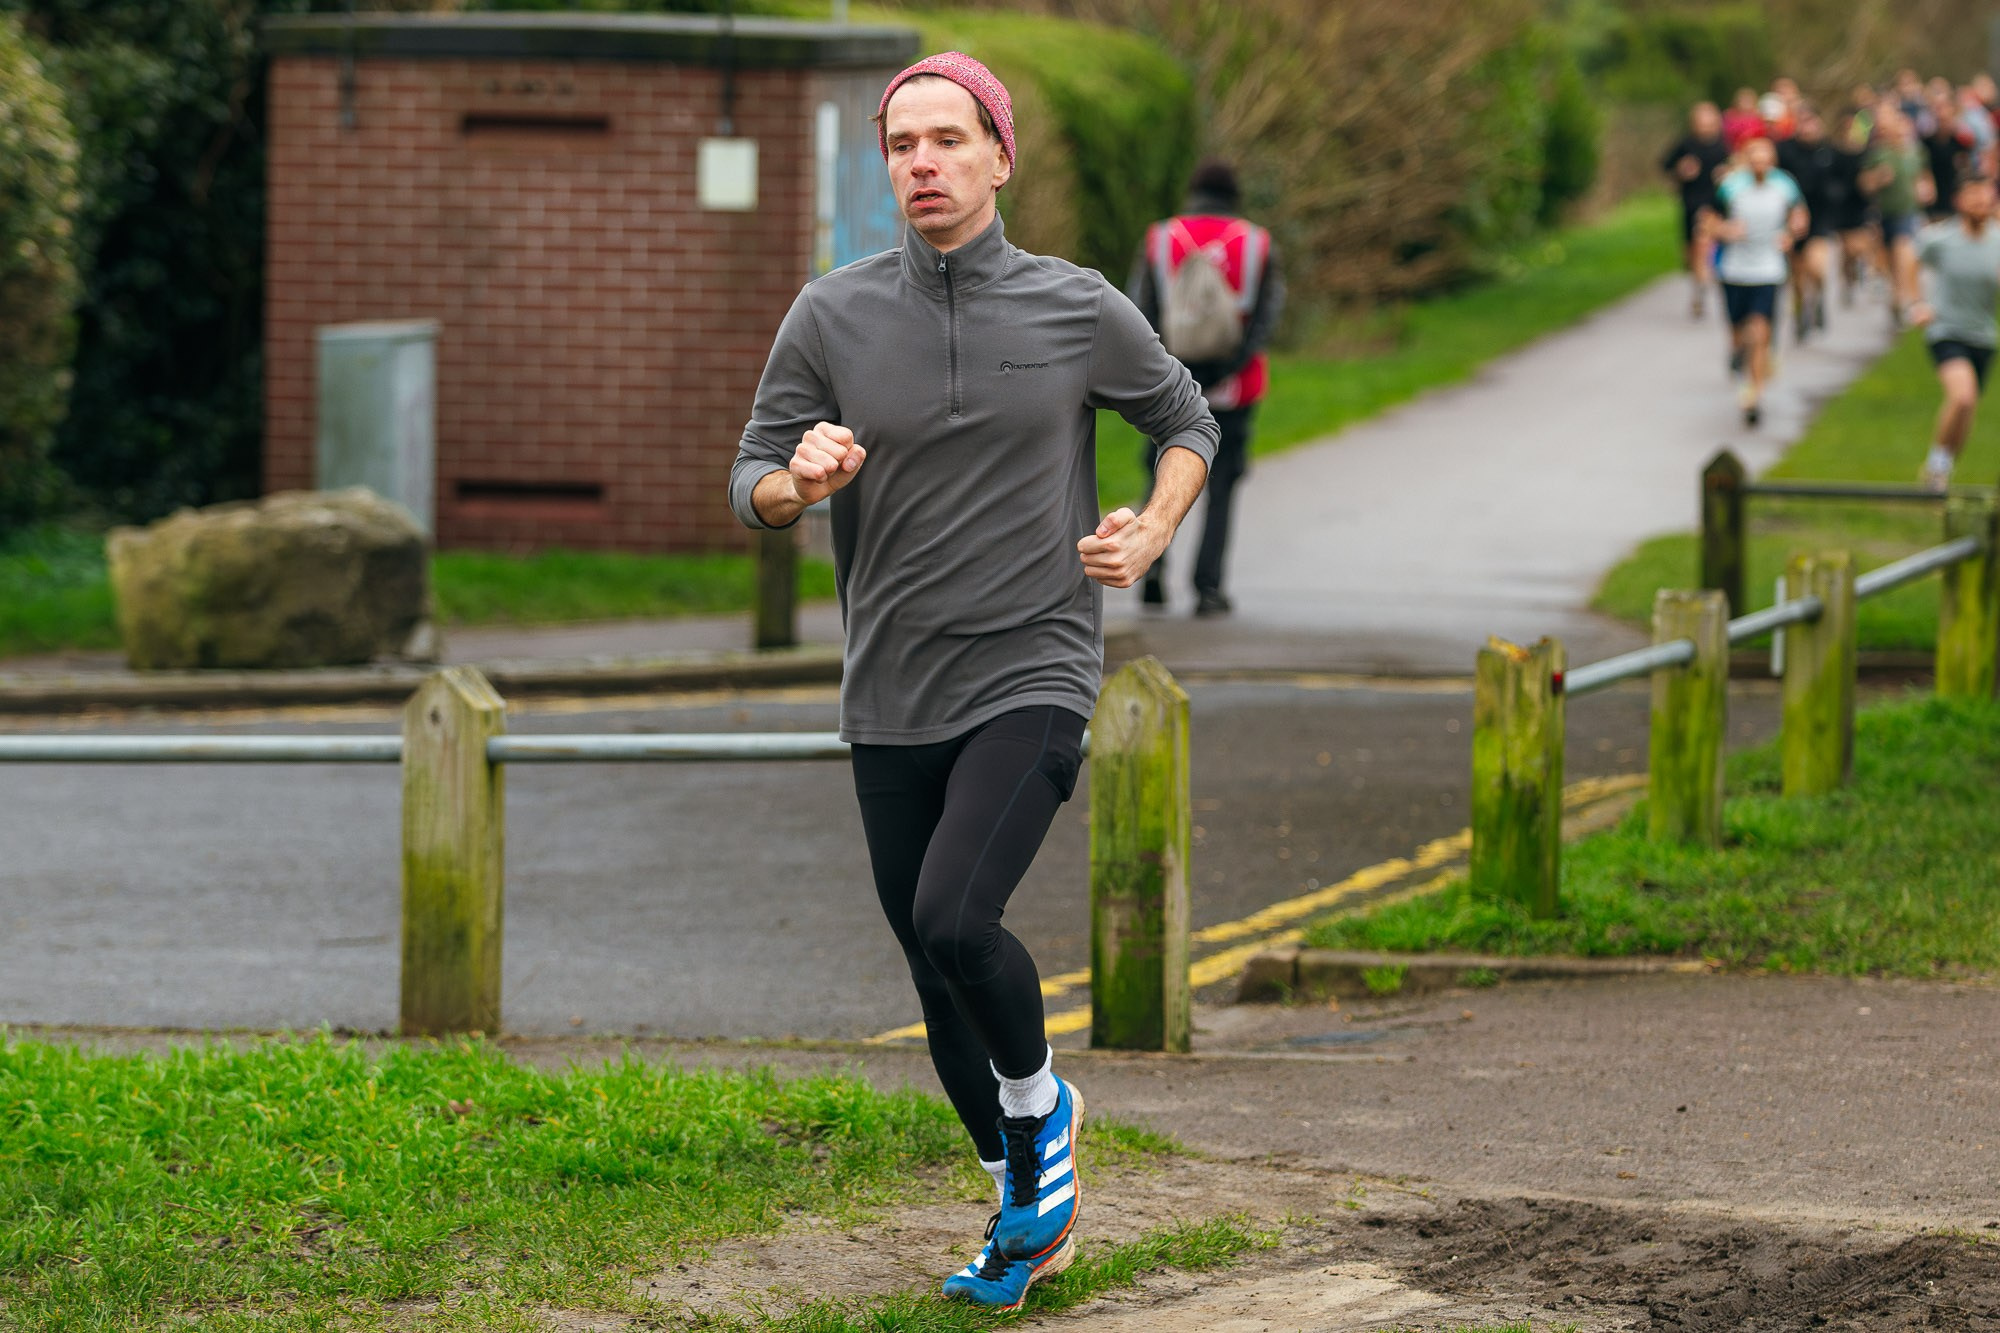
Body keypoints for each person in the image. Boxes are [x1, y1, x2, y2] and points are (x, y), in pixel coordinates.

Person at [727, 51, 1217, 1312]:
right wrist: (802, 476)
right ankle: (1028, 1209)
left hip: (1032, 667)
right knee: (929, 963)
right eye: (902, 145)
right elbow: (751, 482)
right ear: (884, 164)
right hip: (890, 684)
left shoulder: (1075, 306)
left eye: (949, 140)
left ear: (1000, 156)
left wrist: (1152, 530)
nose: (924, 164)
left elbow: (1184, 420)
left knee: (955, 913)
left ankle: (1040, 1114)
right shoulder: (829, 314)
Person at [1129, 159, 1284, 616]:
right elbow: (1267, 315)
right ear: (1235, 196)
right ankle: (1208, 587)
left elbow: (1139, 310)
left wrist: (1170, 370)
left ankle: (1151, 571)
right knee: (1222, 487)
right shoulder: (1257, 243)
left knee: (1158, 473)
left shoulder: (1161, 239)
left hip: (1166, 381)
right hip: (1235, 385)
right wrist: (1231, 365)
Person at [1911, 173, 2000, 491]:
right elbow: (1912, 260)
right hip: (1946, 330)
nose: (1981, 203)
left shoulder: (1997, 241)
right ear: (1959, 202)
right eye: (1974, 197)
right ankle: (1936, 467)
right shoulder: (1940, 239)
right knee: (1962, 397)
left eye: (1985, 197)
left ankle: (1942, 469)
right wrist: (1918, 302)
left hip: (1984, 336)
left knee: (1968, 406)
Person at [1712, 137, 1807, 427]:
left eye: (1765, 158)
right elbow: (1708, 222)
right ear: (1746, 159)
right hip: (1734, 270)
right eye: (1754, 158)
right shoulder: (1731, 186)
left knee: (1760, 330)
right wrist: (1725, 230)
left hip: (1768, 270)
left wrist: (1791, 234)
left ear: (1772, 161)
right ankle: (1742, 364)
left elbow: (1800, 217)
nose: (1760, 164)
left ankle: (1753, 395)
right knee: (1740, 336)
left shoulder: (1784, 186)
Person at [1863, 108, 1933, 325]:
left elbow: (1926, 180)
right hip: (1883, 214)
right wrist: (1878, 178)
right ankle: (1896, 298)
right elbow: (1865, 185)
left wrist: (1926, 189)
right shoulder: (1879, 154)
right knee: (1890, 262)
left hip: (1908, 212)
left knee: (1905, 250)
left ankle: (1907, 300)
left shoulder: (1916, 153)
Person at [1662, 102, 1733, 317]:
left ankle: (1706, 283)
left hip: (1715, 204)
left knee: (1705, 245)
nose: (1705, 127)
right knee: (1690, 253)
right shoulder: (1686, 145)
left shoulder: (1724, 147)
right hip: (1690, 203)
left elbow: (1739, 168)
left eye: (1709, 122)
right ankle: (1699, 282)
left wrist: (1728, 172)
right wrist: (1681, 170)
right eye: (1701, 123)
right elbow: (1665, 166)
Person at [1780, 108, 1841, 340]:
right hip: (1791, 218)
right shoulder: (1786, 150)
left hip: (1820, 217)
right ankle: (1800, 315)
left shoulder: (1828, 151)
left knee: (1817, 267)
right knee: (1796, 275)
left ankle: (1817, 299)